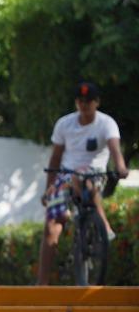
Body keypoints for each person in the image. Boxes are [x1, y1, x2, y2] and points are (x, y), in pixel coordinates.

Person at [37, 82, 130, 285]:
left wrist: (121, 167)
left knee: (83, 177)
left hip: (96, 174)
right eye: (80, 101)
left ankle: (101, 223)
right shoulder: (64, 124)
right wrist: (48, 190)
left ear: (97, 103)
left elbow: (115, 150)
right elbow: (55, 159)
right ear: (76, 102)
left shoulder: (106, 123)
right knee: (52, 226)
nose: (84, 105)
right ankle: (41, 284)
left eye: (88, 102)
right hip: (66, 176)